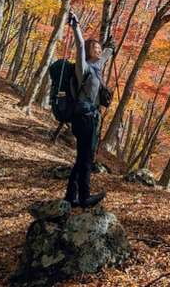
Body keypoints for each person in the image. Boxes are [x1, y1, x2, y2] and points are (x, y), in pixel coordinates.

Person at [64, 11, 113, 208]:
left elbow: (105, 56)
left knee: (83, 158)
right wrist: (76, 26)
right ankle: (84, 197)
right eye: (95, 48)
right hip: (83, 118)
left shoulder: (97, 68)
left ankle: (71, 196)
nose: (98, 51)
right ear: (88, 50)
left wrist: (110, 47)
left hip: (91, 118)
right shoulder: (82, 68)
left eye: (99, 48)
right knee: (85, 159)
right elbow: (79, 46)